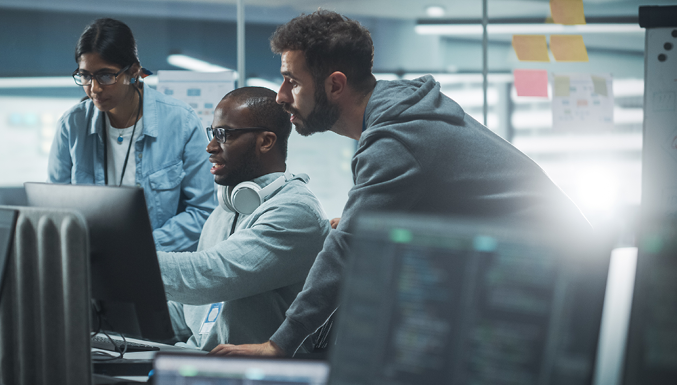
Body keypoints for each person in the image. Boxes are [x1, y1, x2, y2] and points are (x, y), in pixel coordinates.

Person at [211, 10, 590, 356]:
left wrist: (278, 345)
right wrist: (370, 222)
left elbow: (347, 252)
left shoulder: (396, 138)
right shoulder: (396, 112)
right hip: (542, 278)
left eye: (291, 81)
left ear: (335, 85)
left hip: (559, 294)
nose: (281, 96)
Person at [157, 87, 331, 351]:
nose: (211, 146)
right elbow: (190, 312)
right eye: (212, 133)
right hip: (198, 361)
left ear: (265, 141)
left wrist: (129, 264)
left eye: (224, 135)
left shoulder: (296, 212)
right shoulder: (225, 211)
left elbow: (210, 276)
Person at [48, 18, 215, 252]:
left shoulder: (182, 122)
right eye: (85, 76)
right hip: (92, 267)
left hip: (158, 269)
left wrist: (139, 248)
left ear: (134, 72)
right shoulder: (71, 125)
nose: (94, 88)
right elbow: (55, 209)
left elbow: (202, 212)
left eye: (105, 76)